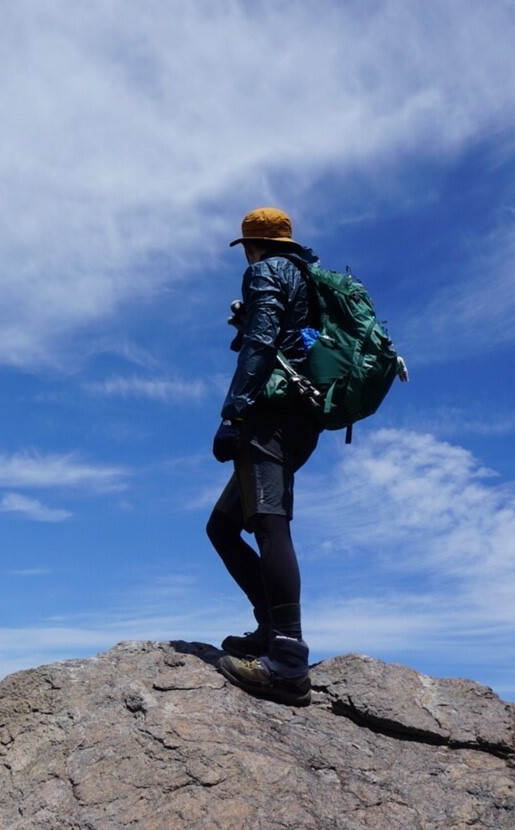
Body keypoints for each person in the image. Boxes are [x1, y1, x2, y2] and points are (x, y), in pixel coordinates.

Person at [207, 206, 323, 706]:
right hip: (302, 418)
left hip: (269, 418)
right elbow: (302, 342)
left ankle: (288, 662)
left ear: (252, 244)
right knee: (223, 525)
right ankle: (271, 627)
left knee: (270, 524)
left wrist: (232, 414)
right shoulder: (308, 279)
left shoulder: (264, 270)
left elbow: (260, 343)